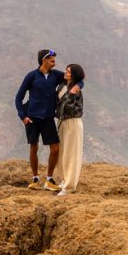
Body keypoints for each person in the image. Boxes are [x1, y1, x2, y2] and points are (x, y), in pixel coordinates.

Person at [14, 49, 80, 190]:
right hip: (32, 118)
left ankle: (49, 180)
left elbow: (76, 79)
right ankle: (35, 179)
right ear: (43, 60)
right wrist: (23, 116)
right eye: (51, 59)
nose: (54, 61)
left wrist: (78, 86)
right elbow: (18, 98)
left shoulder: (55, 75)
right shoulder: (31, 76)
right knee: (34, 147)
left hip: (48, 118)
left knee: (55, 148)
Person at [52, 63, 85, 196]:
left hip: (73, 122)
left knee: (72, 154)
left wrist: (72, 93)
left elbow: (71, 108)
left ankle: (70, 186)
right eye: (66, 70)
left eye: (69, 71)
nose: (65, 72)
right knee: (62, 153)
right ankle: (65, 179)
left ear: (74, 75)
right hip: (62, 122)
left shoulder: (76, 90)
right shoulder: (61, 86)